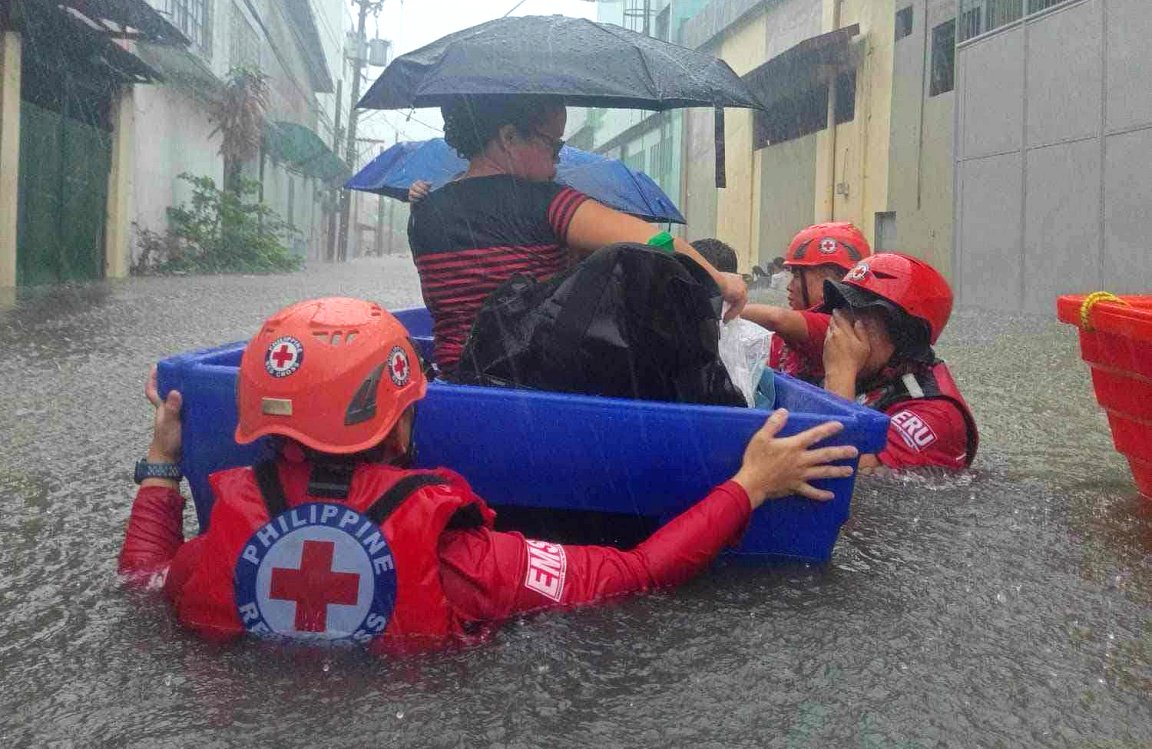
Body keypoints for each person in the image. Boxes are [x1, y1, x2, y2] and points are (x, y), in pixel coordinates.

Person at [118, 297, 857, 650]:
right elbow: (638, 573)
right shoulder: (460, 559)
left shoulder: (211, 552)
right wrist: (749, 485)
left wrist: (162, 465)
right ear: (400, 418)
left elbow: (141, 582)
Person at [406, 95, 748, 372]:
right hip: (534, 393)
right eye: (553, 145)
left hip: (454, 381)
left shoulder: (423, 213)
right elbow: (655, 243)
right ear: (509, 138)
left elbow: (465, 301)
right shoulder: (548, 203)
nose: (558, 160)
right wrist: (719, 280)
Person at [819, 253, 978, 471]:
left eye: (860, 315)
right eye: (843, 309)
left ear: (904, 334)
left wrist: (839, 373)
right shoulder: (874, 373)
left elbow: (840, 471)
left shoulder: (937, 416)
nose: (841, 325)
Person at [741, 223, 871, 384]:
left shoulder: (838, 327)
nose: (789, 287)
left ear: (829, 280)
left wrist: (724, 307)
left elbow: (777, 318)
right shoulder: (791, 335)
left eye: (796, 276)